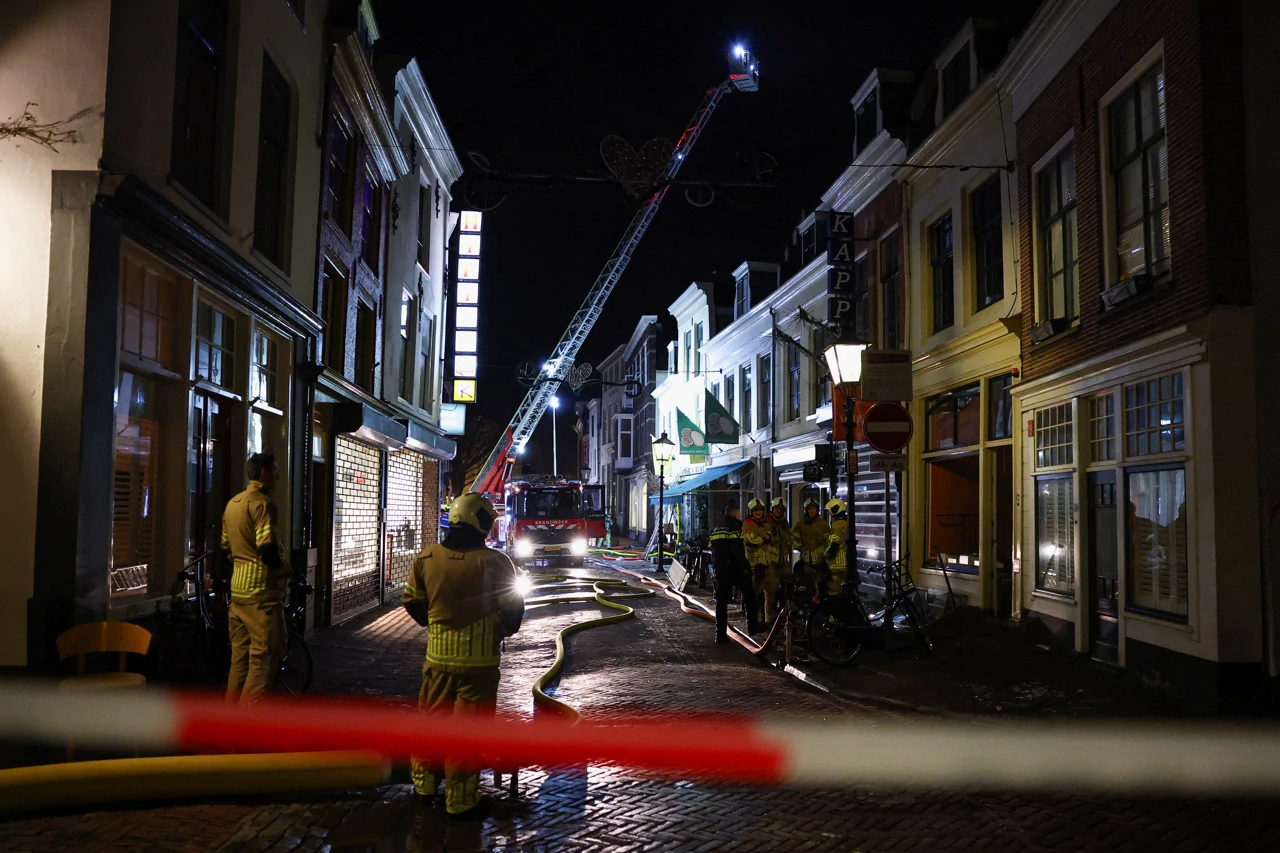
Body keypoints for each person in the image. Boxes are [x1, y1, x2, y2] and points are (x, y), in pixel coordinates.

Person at [402, 492, 525, 818]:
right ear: (479, 523)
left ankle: (424, 787)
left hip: (437, 661)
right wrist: (501, 629)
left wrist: (434, 624)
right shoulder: (497, 562)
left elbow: (411, 601)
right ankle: (461, 799)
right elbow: (514, 612)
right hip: (479, 665)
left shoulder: (426, 558)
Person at [222, 453, 289, 705]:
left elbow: (225, 547)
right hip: (261, 597)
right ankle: (247, 730)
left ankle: (230, 724)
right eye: (275, 471)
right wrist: (284, 570)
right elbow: (268, 549)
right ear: (264, 473)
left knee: (239, 660)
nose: (277, 477)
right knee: (264, 661)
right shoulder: (262, 505)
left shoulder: (233, 504)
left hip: (238, 595)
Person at [708, 502, 759, 641]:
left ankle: (720, 635)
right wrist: (746, 568)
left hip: (720, 570)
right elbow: (738, 550)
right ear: (735, 513)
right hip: (735, 569)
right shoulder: (736, 527)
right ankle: (753, 627)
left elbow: (713, 549)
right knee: (749, 594)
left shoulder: (717, 529)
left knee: (721, 602)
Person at [741, 498, 775, 628]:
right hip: (754, 565)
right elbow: (750, 541)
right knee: (756, 594)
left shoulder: (766, 523)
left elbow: (771, 539)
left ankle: (769, 619)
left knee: (772, 592)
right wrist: (763, 538)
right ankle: (756, 620)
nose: (759, 512)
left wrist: (762, 538)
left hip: (767, 563)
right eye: (756, 510)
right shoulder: (747, 524)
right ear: (751, 511)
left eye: (760, 510)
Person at [766, 497, 793, 622]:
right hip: (770, 561)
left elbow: (790, 538)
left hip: (783, 561)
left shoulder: (784, 523)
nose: (778, 511)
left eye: (781, 509)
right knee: (771, 591)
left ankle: (785, 614)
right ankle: (770, 618)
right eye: (777, 509)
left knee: (788, 588)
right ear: (772, 509)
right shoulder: (766, 522)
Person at [795, 496, 831, 578]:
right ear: (806, 510)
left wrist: (825, 553)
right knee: (807, 583)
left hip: (820, 562)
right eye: (810, 509)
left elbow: (828, 541)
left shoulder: (823, 524)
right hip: (806, 562)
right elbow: (793, 539)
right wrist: (800, 548)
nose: (812, 511)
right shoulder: (800, 524)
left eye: (814, 509)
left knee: (820, 584)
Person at [825, 498, 850, 595]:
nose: (830, 514)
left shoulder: (837, 525)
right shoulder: (847, 523)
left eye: (830, 511)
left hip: (836, 564)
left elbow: (834, 544)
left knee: (833, 591)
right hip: (845, 563)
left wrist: (826, 555)